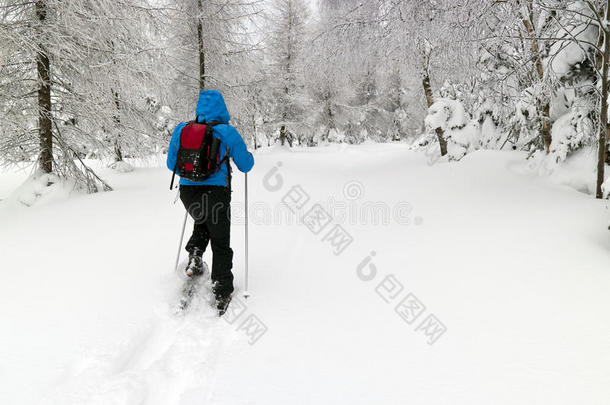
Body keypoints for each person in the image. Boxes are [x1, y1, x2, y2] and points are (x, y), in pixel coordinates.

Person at [167, 89, 254, 314]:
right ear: (222, 109)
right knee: (220, 240)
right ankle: (222, 288)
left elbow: (170, 165)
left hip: (188, 193)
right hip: (216, 193)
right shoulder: (226, 131)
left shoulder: (181, 130)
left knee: (201, 221)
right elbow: (246, 165)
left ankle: (195, 257)